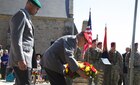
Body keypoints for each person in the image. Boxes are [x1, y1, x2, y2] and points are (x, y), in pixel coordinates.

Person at [8, 0, 41, 85]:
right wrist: (20, 59)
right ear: (29, 4)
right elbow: (16, 39)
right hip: (22, 58)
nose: (37, 11)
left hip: (26, 59)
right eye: (36, 8)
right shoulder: (21, 15)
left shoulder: (26, 17)